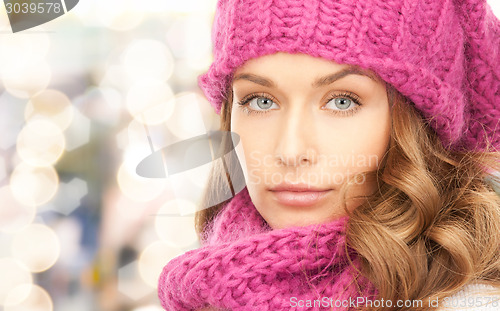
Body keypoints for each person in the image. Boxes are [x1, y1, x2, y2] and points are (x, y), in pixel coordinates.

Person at [158, 0, 500, 310]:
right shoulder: (207, 286)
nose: (291, 151)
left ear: (419, 122)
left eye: (342, 101)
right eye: (261, 101)